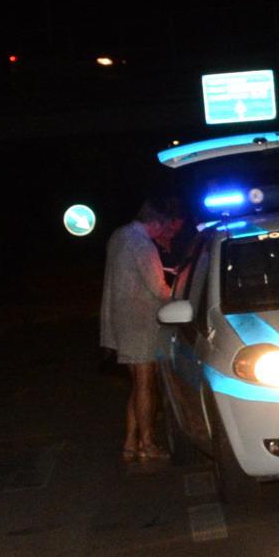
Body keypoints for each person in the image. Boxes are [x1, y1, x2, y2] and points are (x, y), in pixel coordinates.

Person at [99, 196, 186, 463]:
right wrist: (182, 294)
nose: (165, 232)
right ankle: (147, 443)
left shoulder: (119, 235)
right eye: (163, 226)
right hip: (141, 323)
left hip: (122, 321)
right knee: (147, 384)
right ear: (155, 222)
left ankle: (129, 444)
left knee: (138, 385)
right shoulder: (141, 242)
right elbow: (157, 287)